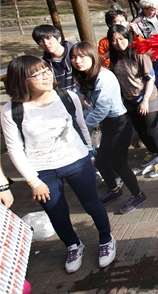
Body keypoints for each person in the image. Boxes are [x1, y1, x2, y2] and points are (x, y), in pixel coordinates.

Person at [1, 55, 116, 273]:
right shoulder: (11, 110)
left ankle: (106, 239)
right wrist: (33, 181)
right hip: (41, 170)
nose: (46, 76)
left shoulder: (67, 96)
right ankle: (73, 245)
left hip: (76, 161)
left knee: (92, 204)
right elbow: (14, 148)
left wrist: (89, 154)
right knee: (56, 212)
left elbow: (81, 127)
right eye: (38, 74)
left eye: (46, 71)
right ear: (21, 80)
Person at [70, 42, 148, 214]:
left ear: (92, 56)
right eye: (74, 57)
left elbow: (102, 109)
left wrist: (82, 128)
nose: (78, 61)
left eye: (82, 56)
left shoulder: (103, 77)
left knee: (119, 164)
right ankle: (114, 190)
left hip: (119, 124)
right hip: (108, 124)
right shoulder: (87, 76)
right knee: (101, 161)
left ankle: (138, 195)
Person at [107, 25, 158, 177]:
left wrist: (145, 100)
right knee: (140, 130)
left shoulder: (138, 53)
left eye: (121, 39)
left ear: (128, 38)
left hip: (147, 96)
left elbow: (150, 78)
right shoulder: (115, 57)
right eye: (114, 40)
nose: (118, 42)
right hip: (129, 99)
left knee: (151, 129)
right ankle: (153, 152)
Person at [129, 0, 158, 129]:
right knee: (155, 87)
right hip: (150, 57)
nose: (154, 11)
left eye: (155, 9)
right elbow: (139, 42)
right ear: (144, 8)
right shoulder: (136, 23)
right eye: (151, 9)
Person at [31, 25, 75, 92]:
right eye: (41, 41)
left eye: (48, 38)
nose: (46, 43)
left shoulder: (77, 53)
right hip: (64, 99)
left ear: (59, 38)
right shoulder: (44, 65)